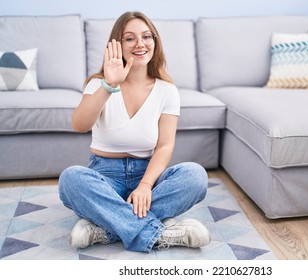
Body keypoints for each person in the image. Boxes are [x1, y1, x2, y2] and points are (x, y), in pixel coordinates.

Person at [58, 11, 211, 253]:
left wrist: (146, 185)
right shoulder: (99, 85)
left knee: (195, 176)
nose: (140, 44)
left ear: (155, 42)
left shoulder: (167, 91)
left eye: (146, 36)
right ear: (117, 45)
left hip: (147, 174)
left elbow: (164, 147)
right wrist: (110, 85)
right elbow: (79, 125)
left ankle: (106, 229)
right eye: (130, 38)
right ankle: (157, 233)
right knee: (71, 179)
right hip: (104, 175)